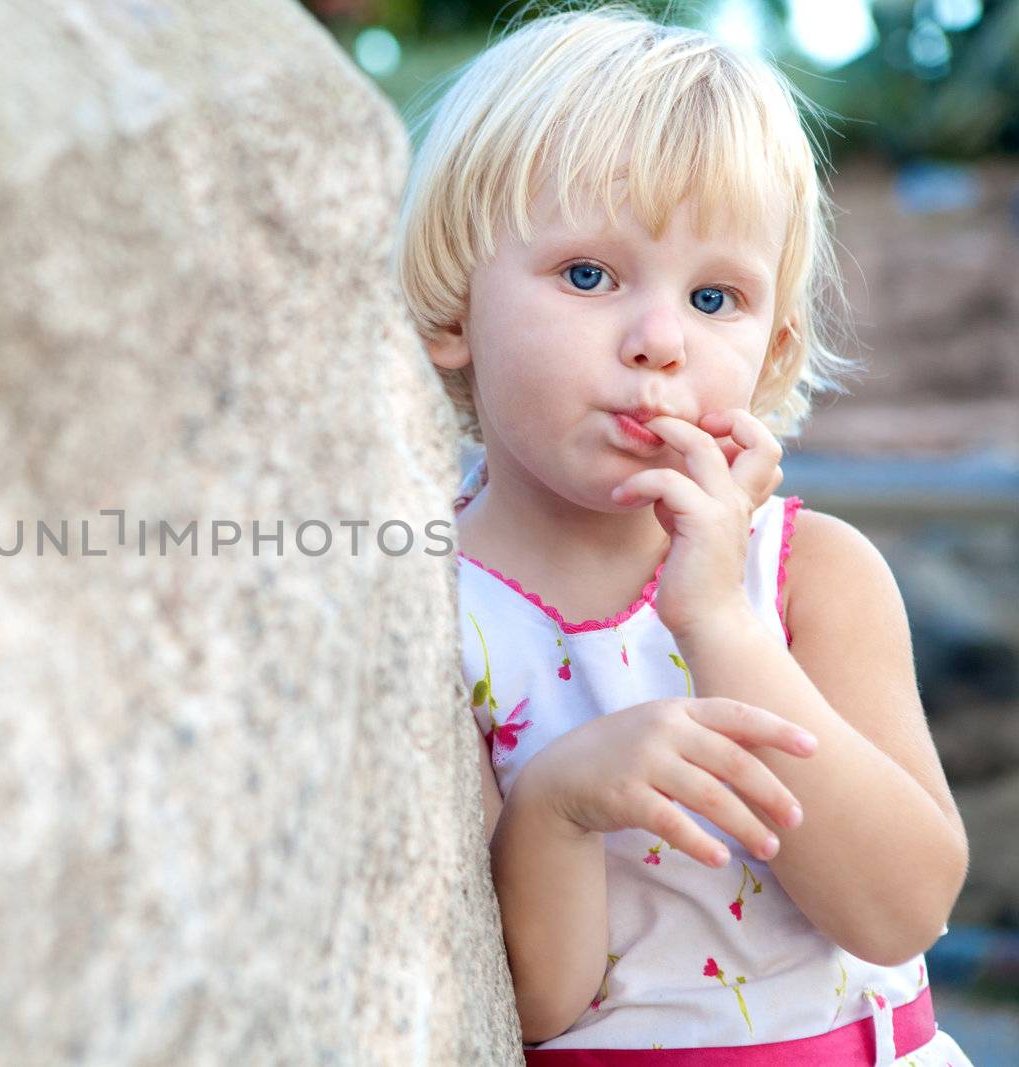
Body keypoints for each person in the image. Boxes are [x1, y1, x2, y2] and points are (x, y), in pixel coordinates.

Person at [394, 5, 972, 1063]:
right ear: (450, 312)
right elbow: (533, 1004)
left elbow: (899, 910)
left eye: (714, 296)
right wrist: (560, 806)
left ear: (773, 346)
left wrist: (718, 621)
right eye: (586, 274)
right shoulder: (430, 608)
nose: (659, 341)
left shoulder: (809, 575)